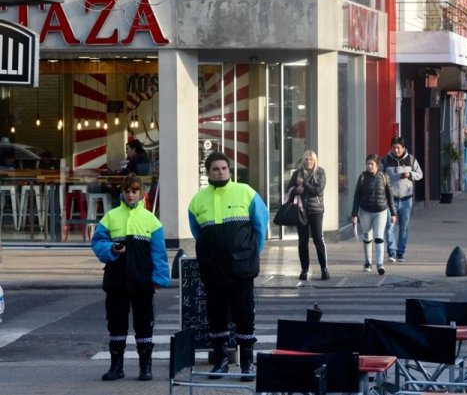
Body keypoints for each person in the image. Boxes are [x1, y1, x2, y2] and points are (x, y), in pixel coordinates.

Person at [188, 152, 268, 382]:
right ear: (208, 172)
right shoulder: (197, 201)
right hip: (213, 269)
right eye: (215, 169)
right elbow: (197, 231)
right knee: (217, 316)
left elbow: (260, 227)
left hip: (241, 267)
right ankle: (221, 361)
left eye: (224, 168)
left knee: (244, 315)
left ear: (230, 170)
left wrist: (250, 253)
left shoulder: (246, 192)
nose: (221, 172)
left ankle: (246, 364)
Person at [91, 173, 170, 381]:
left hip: (142, 282)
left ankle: (146, 367)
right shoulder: (111, 216)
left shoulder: (151, 220)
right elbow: (98, 243)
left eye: (135, 191)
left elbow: (159, 253)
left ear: (141, 193)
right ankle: (116, 367)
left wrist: (159, 279)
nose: (131, 195)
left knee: (144, 324)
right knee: (116, 324)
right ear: (122, 193)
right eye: (127, 191)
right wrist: (111, 248)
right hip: (116, 281)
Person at [287, 150, 329, 281]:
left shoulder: (320, 172)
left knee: (317, 239)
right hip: (301, 210)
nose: (308, 162)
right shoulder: (297, 173)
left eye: (311, 160)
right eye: (306, 159)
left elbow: (318, 190)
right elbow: (288, 190)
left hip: (316, 210)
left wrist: (304, 183)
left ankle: (324, 269)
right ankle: (304, 269)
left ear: (315, 161)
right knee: (303, 241)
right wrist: (295, 190)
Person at [351, 154, 397, 275]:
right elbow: (357, 196)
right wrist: (354, 214)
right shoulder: (362, 177)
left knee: (379, 237)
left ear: (377, 165)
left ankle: (380, 264)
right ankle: (367, 262)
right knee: (367, 237)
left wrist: (393, 213)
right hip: (365, 211)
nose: (369, 166)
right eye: (367, 164)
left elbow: (389, 196)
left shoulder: (383, 177)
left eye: (371, 164)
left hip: (381, 211)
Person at [380, 136, 423, 263]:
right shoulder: (385, 160)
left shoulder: (411, 159)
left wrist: (410, 175)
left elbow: (420, 174)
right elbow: (379, 175)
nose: (396, 150)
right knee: (390, 226)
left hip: (406, 199)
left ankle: (400, 253)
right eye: (394, 148)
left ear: (403, 148)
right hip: (390, 200)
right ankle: (391, 252)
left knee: (404, 228)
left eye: (398, 148)